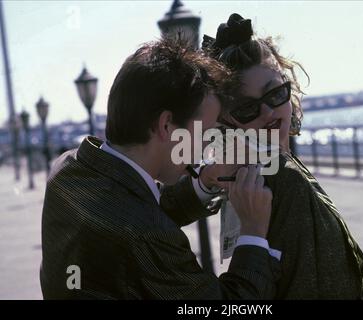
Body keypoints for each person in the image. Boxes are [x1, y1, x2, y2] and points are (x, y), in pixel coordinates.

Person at [40, 38, 281, 299]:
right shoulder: (147, 236)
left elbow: (132, 206)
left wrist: (203, 184)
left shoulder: (69, 169)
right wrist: (253, 231)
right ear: (167, 126)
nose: (207, 146)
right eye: (206, 132)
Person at [198, 13, 363, 299]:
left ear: (287, 84)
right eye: (247, 108)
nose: (268, 113)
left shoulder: (259, 171)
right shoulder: (279, 175)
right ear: (225, 120)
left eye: (275, 94)